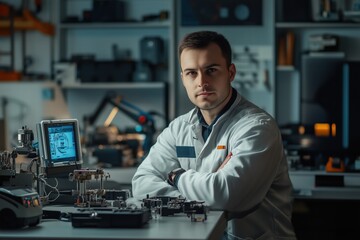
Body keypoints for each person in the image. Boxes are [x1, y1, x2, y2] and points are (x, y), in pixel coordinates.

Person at [132, 30, 296, 239]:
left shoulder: (257, 127)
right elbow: (142, 183)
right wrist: (199, 196)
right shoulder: (178, 128)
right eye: (191, 72)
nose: (201, 81)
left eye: (211, 70)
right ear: (183, 78)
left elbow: (226, 194)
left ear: (231, 72)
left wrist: (176, 176)